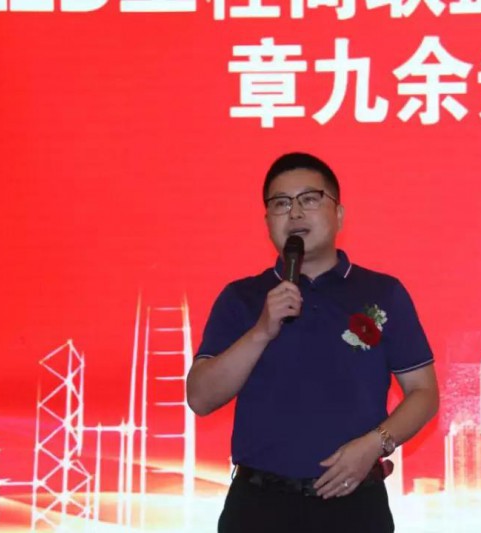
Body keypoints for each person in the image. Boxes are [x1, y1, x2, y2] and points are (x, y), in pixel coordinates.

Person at [186, 152, 439, 533]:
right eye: (280, 203)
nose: (295, 213)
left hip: (354, 503)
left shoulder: (382, 292)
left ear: (339, 214)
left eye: (309, 199)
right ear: (267, 221)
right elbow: (200, 398)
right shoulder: (242, 297)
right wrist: (261, 331)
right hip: (259, 507)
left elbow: (424, 392)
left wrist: (375, 444)